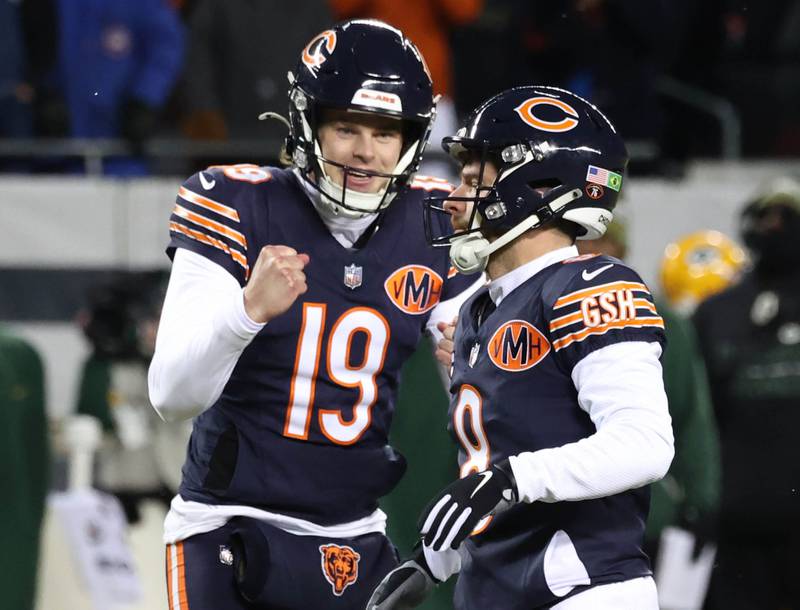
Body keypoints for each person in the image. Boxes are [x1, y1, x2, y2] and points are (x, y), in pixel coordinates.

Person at [147, 19, 480, 610]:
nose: (365, 151)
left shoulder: (433, 219)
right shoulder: (236, 201)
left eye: (384, 132)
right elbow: (172, 395)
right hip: (227, 523)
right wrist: (246, 311)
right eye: (346, 127)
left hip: (353, 534)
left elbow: (479, 366)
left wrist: (470, 360)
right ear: (308, 124)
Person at [368, 85, 674, 610]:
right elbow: (492, 464)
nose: (453, 197)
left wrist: (513, 479)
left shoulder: (591, 283)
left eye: (472, 178)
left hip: (580, 589)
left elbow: (645, 444)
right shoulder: (477, 309)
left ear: (536, 183)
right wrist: (434, 558)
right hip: (499, 588)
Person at [694, 178, 800, 610]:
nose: (773, 227)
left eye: (785, 217)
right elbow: (695, 418)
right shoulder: (718, 311)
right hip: (738, 520)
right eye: (765, 216)